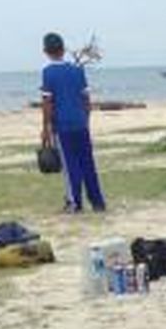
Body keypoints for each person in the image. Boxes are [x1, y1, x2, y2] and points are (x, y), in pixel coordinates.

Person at [40, 32, 107, 213]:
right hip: (80, 123)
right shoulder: (78, 70)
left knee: (71, 166)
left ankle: (74, 202)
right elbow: (86, 100)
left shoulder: (48, 73)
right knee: (88, 163)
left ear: (46, 51)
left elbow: (47, 103)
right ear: (63, 49)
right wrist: (85, 119)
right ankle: (98, 201)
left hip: (63, 125)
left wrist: (45, 127)